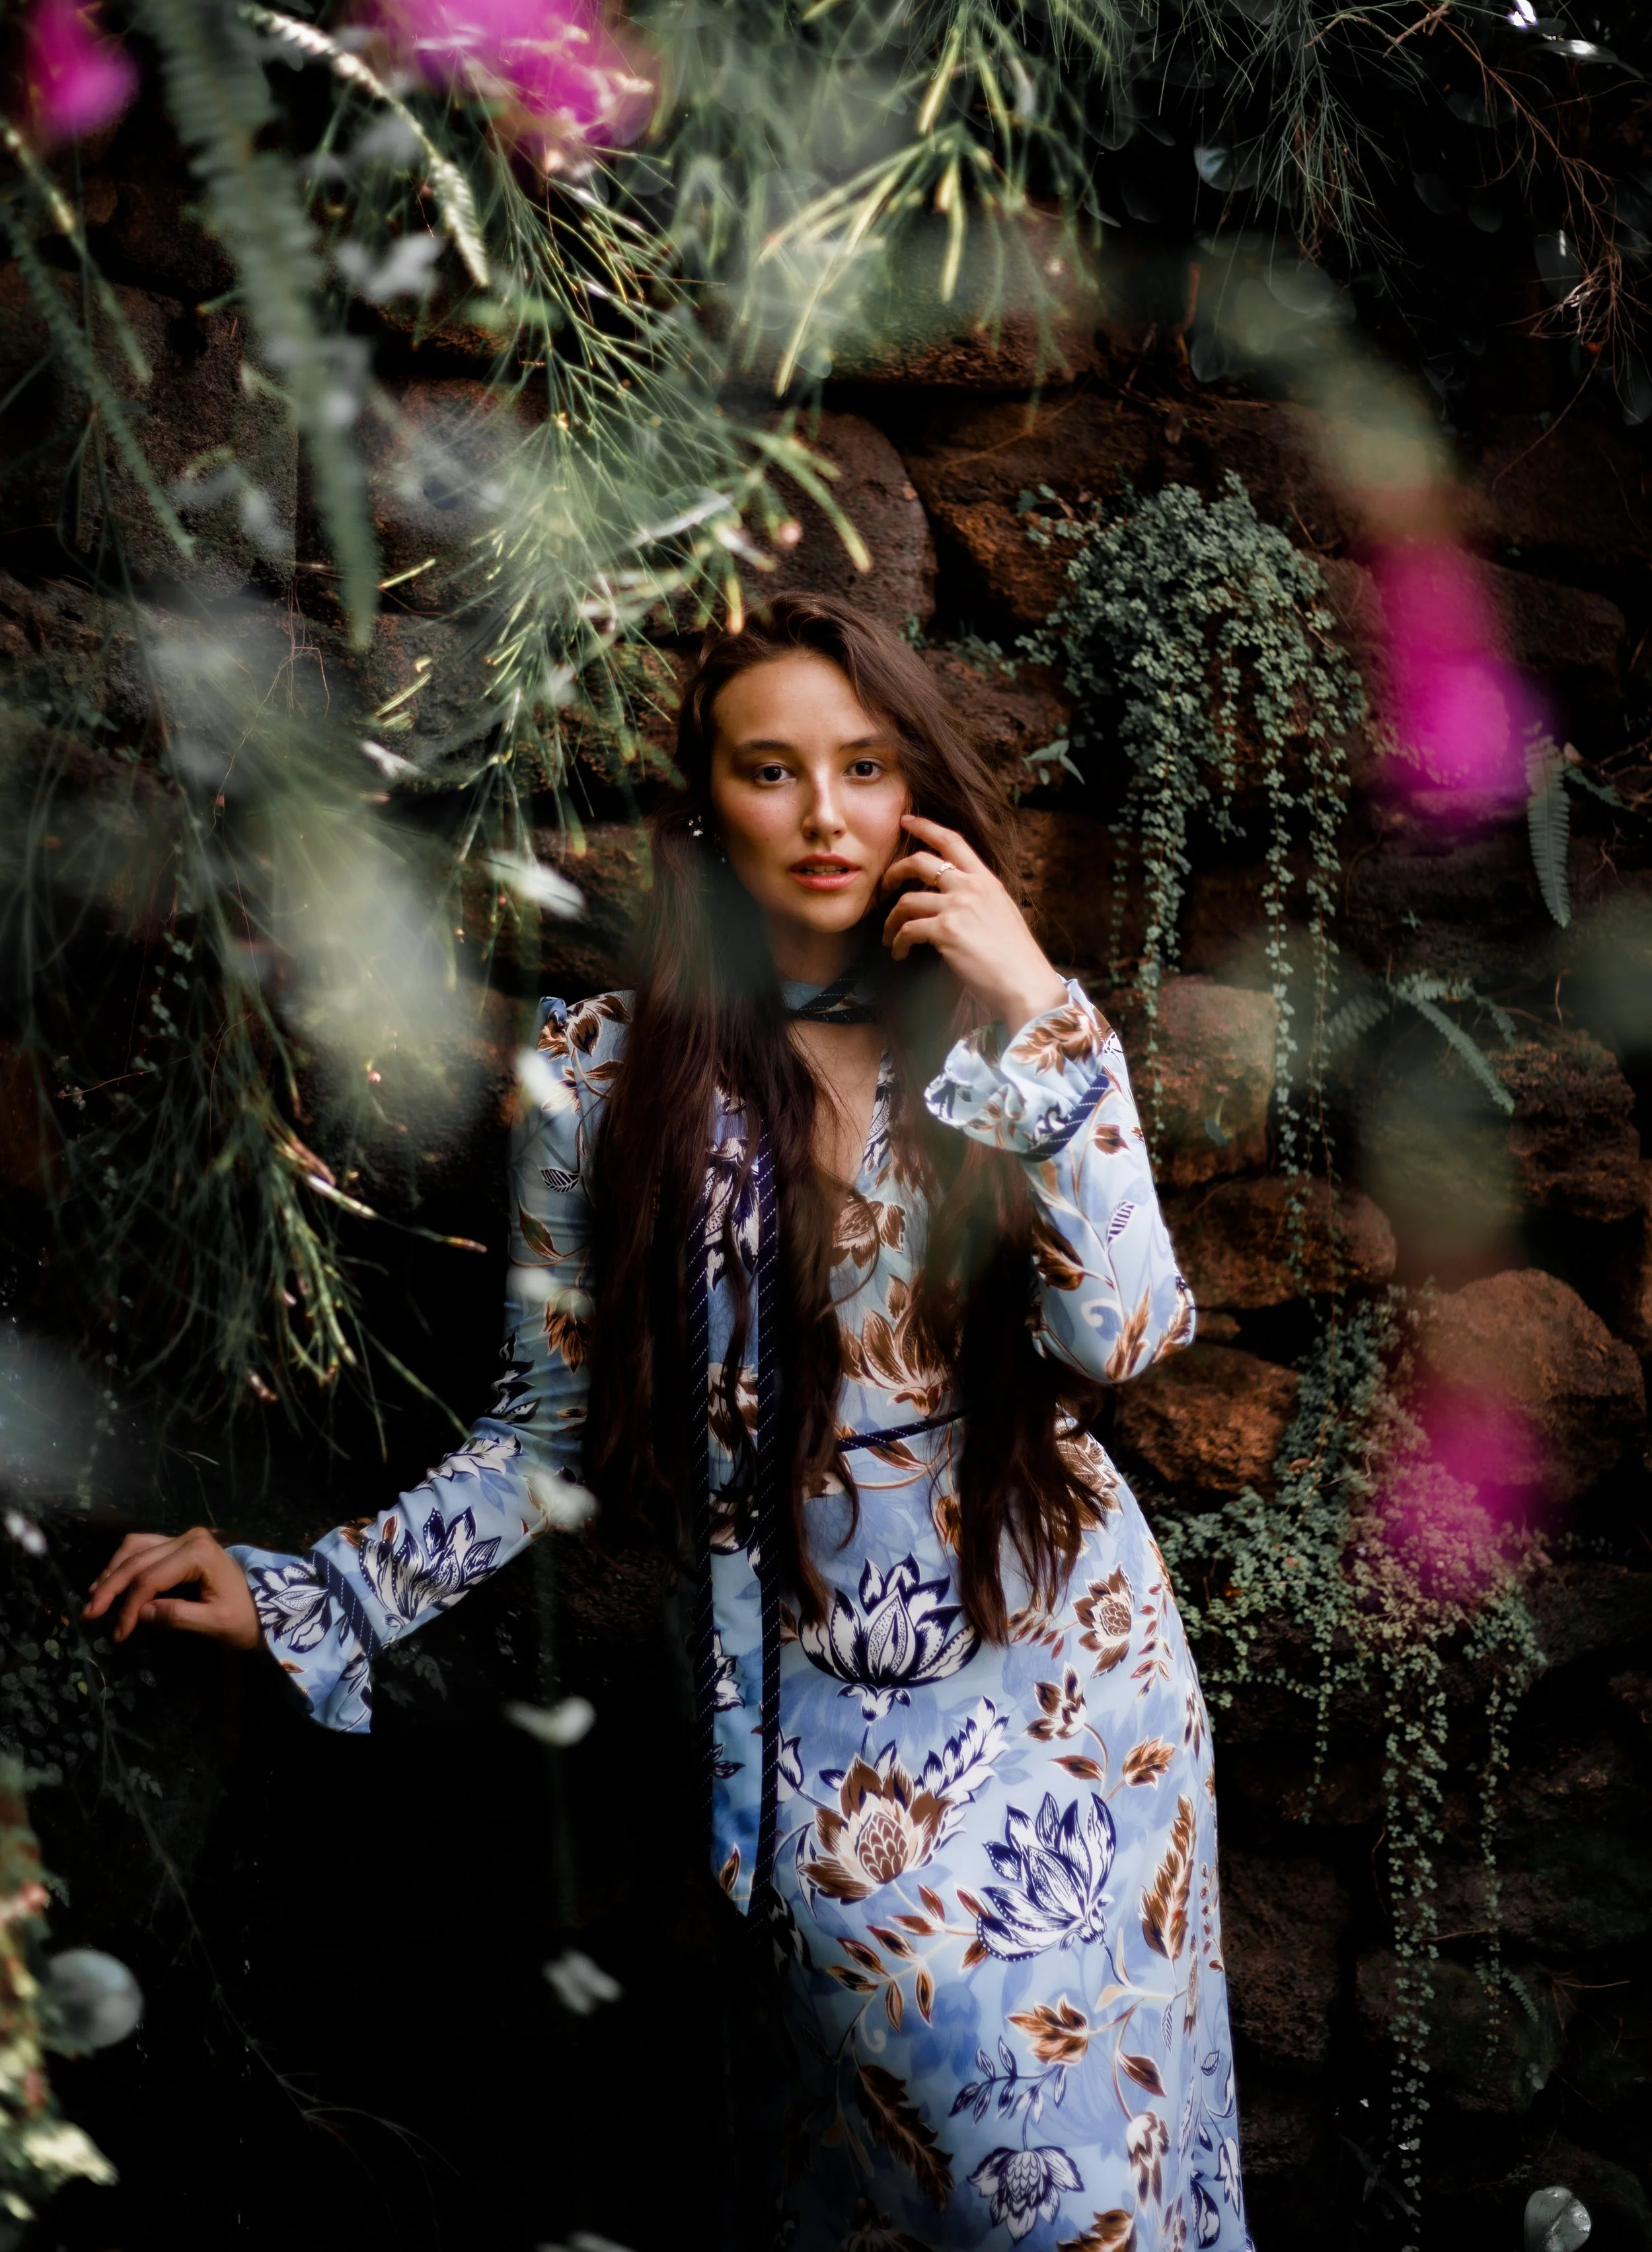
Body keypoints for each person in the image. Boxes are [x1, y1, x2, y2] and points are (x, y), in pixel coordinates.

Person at [87, 594, 1250, 2252]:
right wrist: (311, 1594)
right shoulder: (602, 1078)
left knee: (1119, 2186)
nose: (826, 812)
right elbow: (542, 1431)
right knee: (985, 2196)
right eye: (771, 771)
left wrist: (1036, 1002)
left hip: (1083, 1689)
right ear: (706, 813)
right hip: (828, 1750)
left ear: (917, 792)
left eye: (865, 766)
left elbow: (1120, 1336)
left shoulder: (1000, 1037)